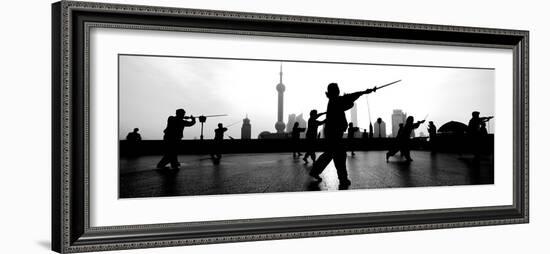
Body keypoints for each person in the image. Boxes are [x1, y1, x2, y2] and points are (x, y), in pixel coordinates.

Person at [309, 82, 376, 187]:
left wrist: (364, 92)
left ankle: (316, 171)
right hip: (334, 134)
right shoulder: (336, 100)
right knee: (339, 156)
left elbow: (348, 99)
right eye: (337, 89)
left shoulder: (333, 100)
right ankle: (343, 179)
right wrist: (364, 92)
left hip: (332, 133)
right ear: (336, 91)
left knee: (329, 154)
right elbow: (349, 98)